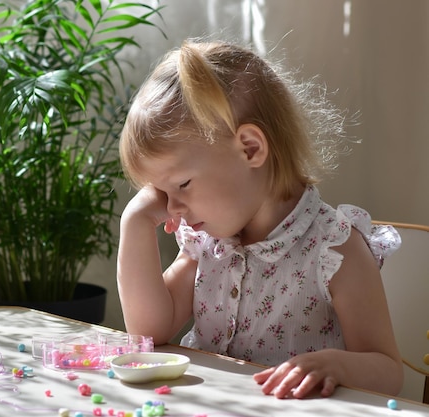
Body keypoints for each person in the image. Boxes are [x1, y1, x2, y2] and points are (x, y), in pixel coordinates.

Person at [116, 39, 403, 399]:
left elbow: (389, 372)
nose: (172, 208)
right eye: (161, 192)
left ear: (250, 148)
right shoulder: (205, 244)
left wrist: (336, 365)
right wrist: (136, 223)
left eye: (182, 185)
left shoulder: (334, 247)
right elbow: (148, 333)